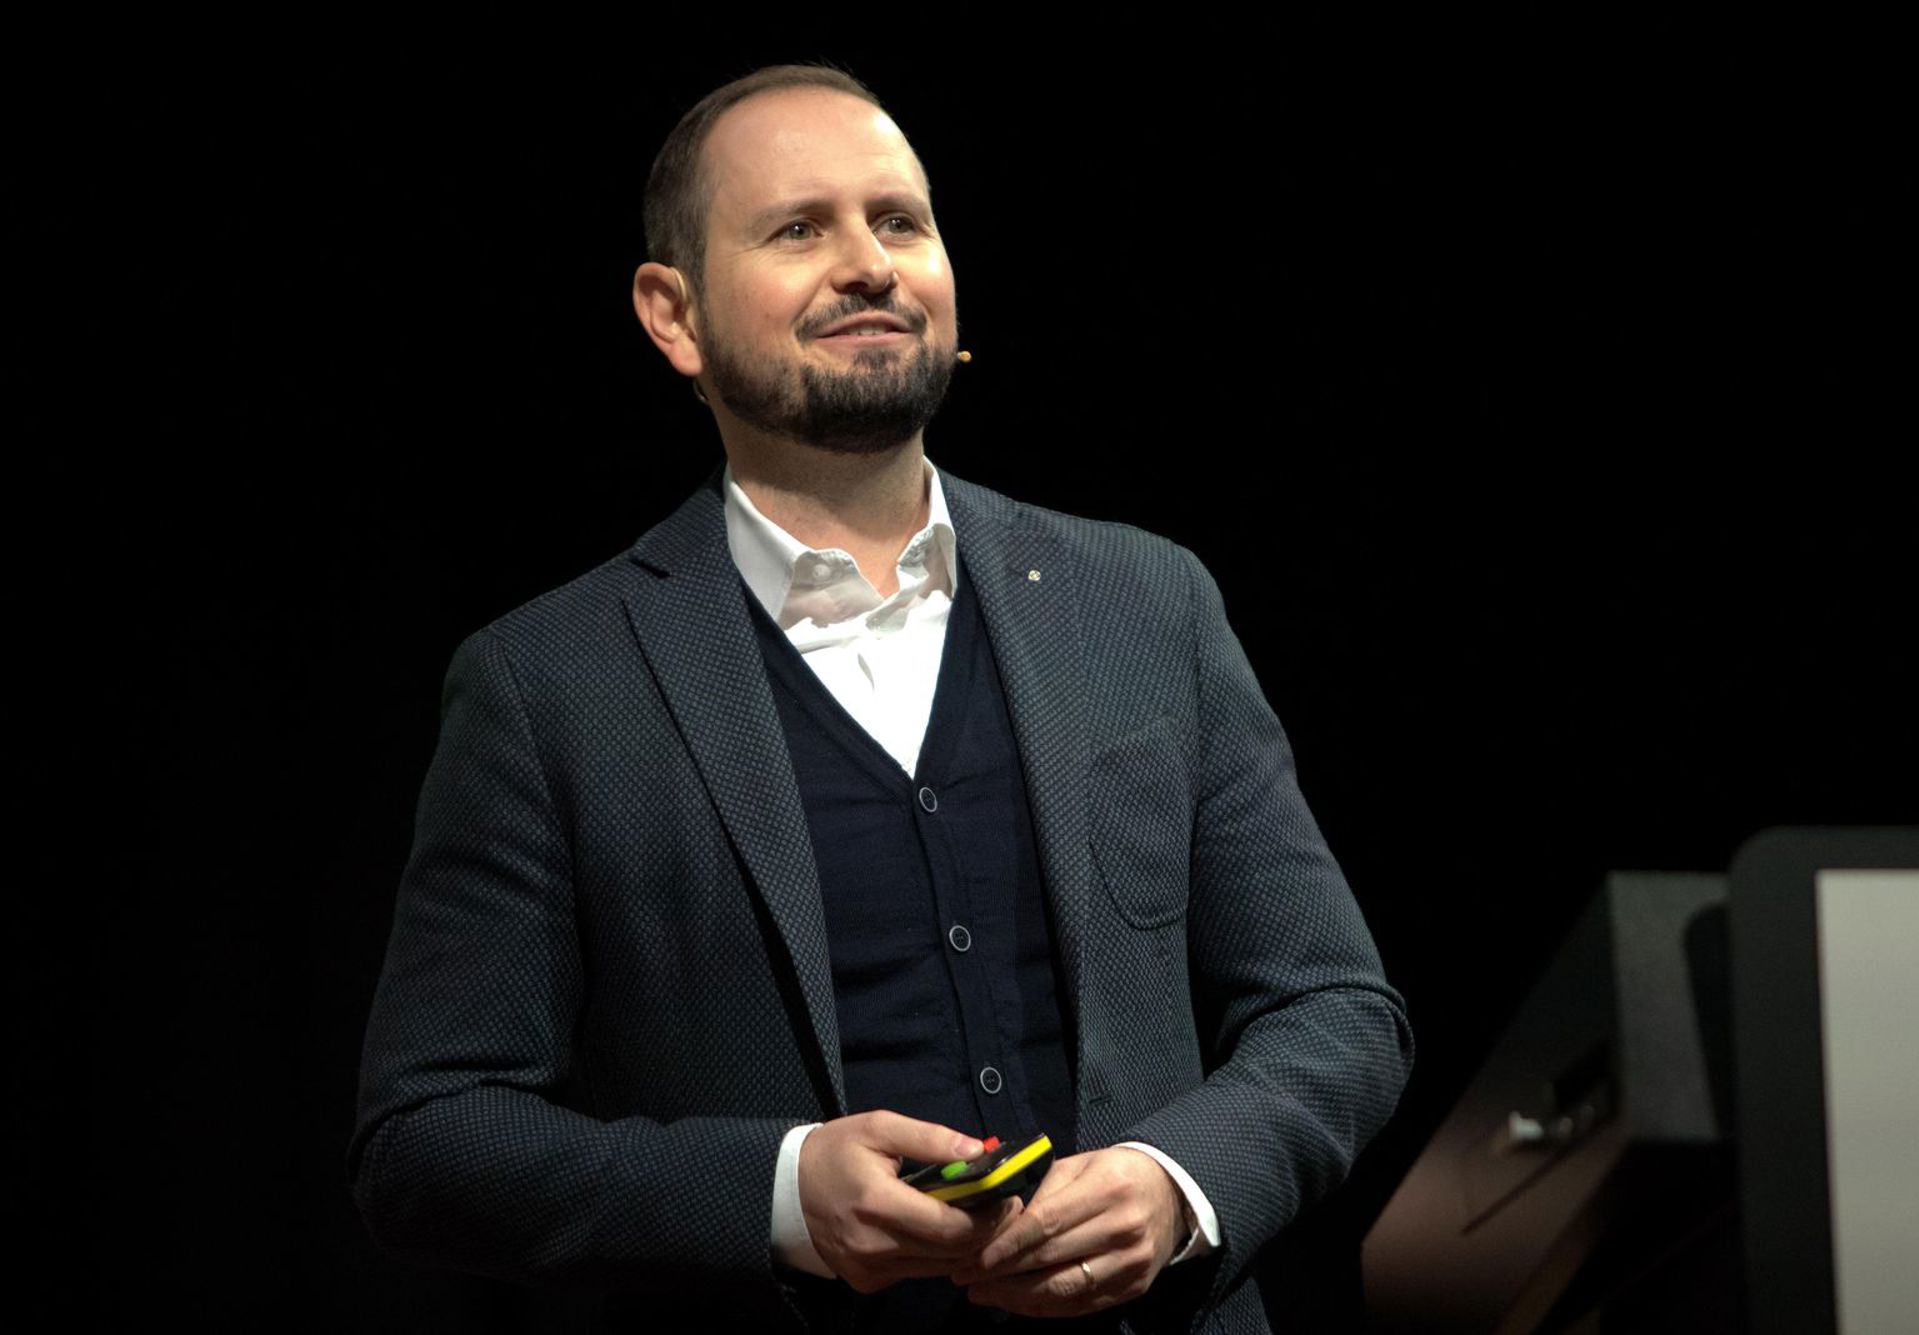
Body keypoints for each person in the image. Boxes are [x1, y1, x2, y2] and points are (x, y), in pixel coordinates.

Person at [349, 64, 1412, 1334]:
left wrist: (1175, 1183)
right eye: (798, 230)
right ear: (673, 315)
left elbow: (1335, 1010)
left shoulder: (1143, 603)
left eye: (898, 221)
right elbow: (430, 1135)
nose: (868, 265)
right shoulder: (549, 684)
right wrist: (777, 1196)